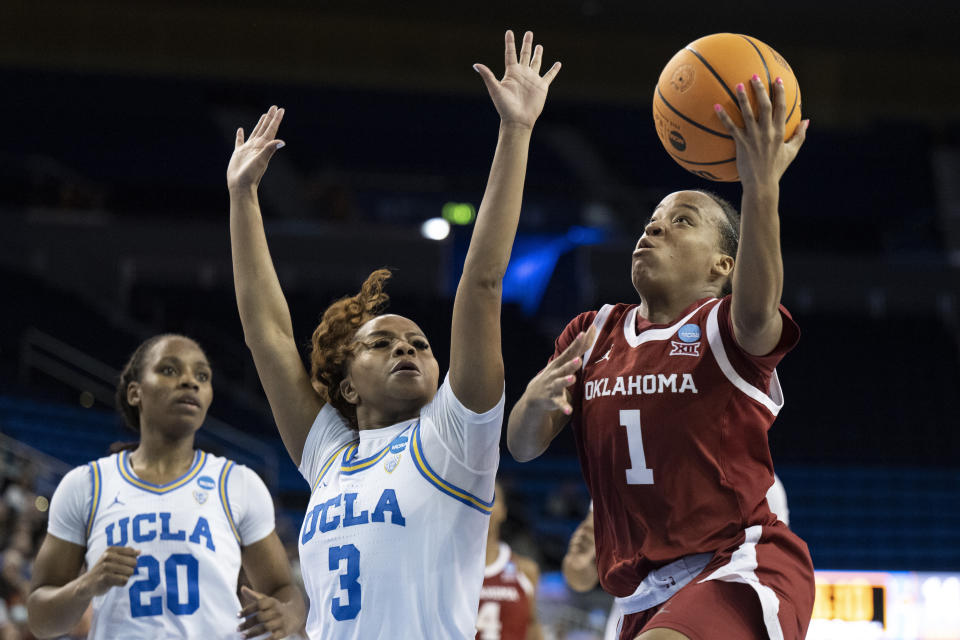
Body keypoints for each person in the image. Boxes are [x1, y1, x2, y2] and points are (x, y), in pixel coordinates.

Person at [227, 31, 560, 639]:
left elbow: (481, 283)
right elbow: (267, 336)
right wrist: (243, 196)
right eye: (380, 343)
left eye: (420, 345)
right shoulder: (328, 453)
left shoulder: (456, 438)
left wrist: (516, 132)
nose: (408, 346)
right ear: (347, 387)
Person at [507, 75, 814, 640]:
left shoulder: (725, 328)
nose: (654, 226)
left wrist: (760, 185)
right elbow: (523, 447)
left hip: (737, 564)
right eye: (653, 219)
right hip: (640, 588)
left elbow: (756, 308)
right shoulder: (592, 331)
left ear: (723, 266)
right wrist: (532, 400)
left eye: (682, 221)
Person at [26, 334, 306, 639]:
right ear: (135, 392)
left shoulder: (238, 483)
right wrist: (87, 584)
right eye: (170, 370)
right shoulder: (86, 485)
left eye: (202, 375)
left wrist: (286, 614)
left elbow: (283, 588)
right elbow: (41, 621)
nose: (190, 382)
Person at [562, 476, 793, 640]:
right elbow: (580, 576)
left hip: (708, 624)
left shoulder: (760, 484)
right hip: (634, 625)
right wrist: (583, 554)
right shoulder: (626, 471)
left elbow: (766, 577)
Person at [477, 481, 543, 640]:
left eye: (492, 498)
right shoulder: (450, 572)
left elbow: (532, 627)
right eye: (477, 498)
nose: (484, 504)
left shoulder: (526, 570)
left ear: (503, 511)